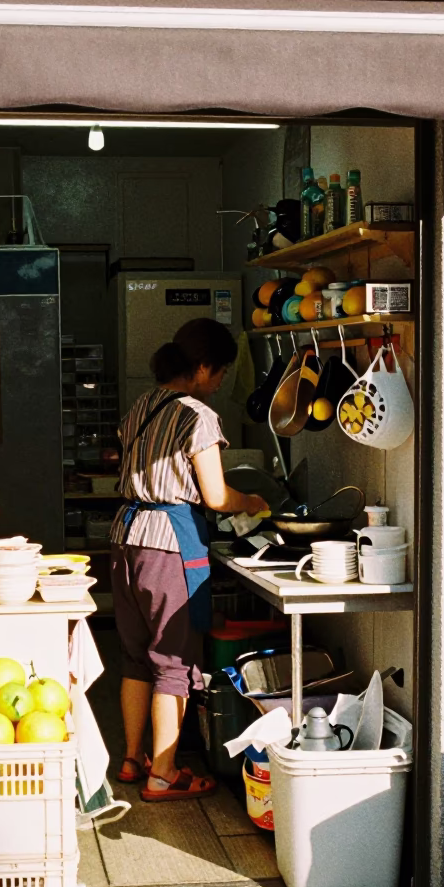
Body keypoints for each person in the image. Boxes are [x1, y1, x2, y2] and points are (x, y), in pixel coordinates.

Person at [110, 318, 269, 802]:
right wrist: (256, 503)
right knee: (174, 661)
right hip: (167, 542)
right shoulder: (197, 415)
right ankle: (164, 773)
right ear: (201, 367)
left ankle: (132, 759)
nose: (220, 382)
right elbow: (217, 496)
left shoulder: (142, 404)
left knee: (138, 657)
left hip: (125, 540)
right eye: (219, 371)